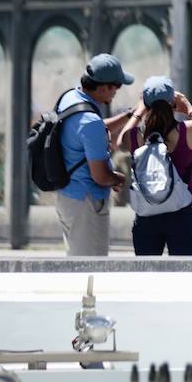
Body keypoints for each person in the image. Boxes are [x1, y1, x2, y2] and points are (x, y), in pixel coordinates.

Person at [118, 76, 192, 256]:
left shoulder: (136, 136)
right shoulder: (186, 131)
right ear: (172, 102)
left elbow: (120, 142)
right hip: (183, 210)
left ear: (145, 103)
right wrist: (189, 108)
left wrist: (138, 111)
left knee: (147, 273)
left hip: (147, 211)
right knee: (182, 273)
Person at [55, 54, 136, 257]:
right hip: (86, 203)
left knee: (77, 260)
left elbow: (93, 129)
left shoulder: (71, 98)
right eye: (116, 86)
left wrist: (128, 116)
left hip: (68, 195)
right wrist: (118, 178)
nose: (117, 92)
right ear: (102, 88)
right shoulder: (89, 120)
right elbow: (100, 176)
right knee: (90, 267)